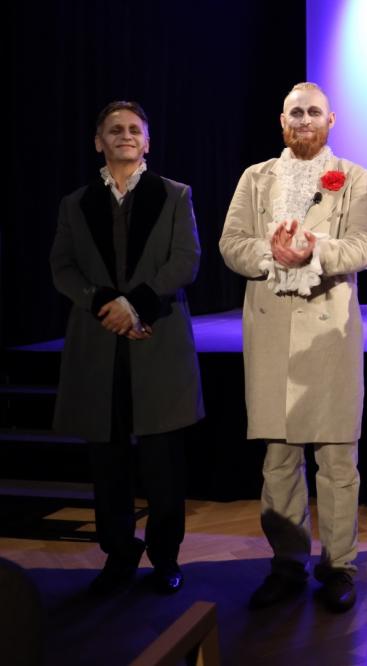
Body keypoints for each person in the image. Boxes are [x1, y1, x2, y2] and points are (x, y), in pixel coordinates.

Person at [219, 82, 367, 613]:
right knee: (279, 460)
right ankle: (287, 563)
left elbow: (363, 246)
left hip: (329, 332)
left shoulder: (354, 177)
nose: (304, 120)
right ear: (282, 121)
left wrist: (312, 251)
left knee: (337, 461)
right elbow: (231, 243)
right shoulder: (255, 177)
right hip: (271, 330)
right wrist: (272, 253)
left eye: (313, 112)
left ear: (331, 120)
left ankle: (339, 566)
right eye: (295, 113)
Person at [50, 100, 203, 596]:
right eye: (114, 129)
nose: (125, 135)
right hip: (99, 344)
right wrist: (105, 305)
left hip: (157, 340)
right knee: (108, 464)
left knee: (163, 466)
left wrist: (134, 305)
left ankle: (165, 558)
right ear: (99, 142)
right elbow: (63, 268)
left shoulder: (175, 195)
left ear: (147, 141)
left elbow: (186, 261)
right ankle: (118, 555)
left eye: (134, 129)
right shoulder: (75, 204)